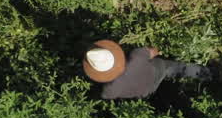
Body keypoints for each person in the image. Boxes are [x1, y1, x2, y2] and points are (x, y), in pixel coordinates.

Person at [82, 39, 211, 100]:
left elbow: (105, 96)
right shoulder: (136, 56)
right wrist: (160, 48)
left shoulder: (108, 90)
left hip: (146, 92)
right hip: (158, 70)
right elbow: (154, 51)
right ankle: (208, 74)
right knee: (177, 68)